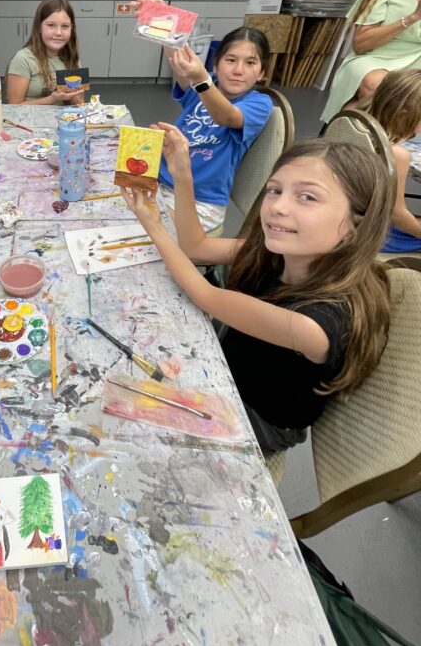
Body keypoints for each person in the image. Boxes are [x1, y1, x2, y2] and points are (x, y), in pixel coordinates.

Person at [123, 129, 393, 453]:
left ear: (355, 226)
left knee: (122, 409)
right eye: (275, 190)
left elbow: (204, 295)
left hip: (255, 418)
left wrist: (153, 224)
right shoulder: (276, 252)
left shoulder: (314, 325)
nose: (278, 206)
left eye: (307, 197)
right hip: (229, 365)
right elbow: (196, 247)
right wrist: (182, 172)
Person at [158, 26, 273, 231]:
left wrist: (201, 80)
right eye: (231, 60)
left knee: (137, 229)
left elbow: (226, 116)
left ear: (261, 73)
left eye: (250, 63)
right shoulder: (204, 86)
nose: (238, 70)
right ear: (216, 65)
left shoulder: (260, 104)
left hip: (200, 202)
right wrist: (160, 22)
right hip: (160, 181)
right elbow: (178, 59)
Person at [321, 0, 421, 123]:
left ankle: (396, 140)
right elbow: (361, 44)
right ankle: (350, 133)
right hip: (375, 57)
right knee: (380, 86)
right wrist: (412, 18)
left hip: (416, 61)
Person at [365, 69, 421, 254]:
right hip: (371, 235)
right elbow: (397, 215)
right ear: (404, 115)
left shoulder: (358, 123)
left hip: (351, 217)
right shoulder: (397, 154)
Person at [6, 0, 84, 105]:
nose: (58, 32)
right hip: (28, 116)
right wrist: (52, 99)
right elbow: (13, 106)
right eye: (51, 25)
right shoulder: (23, 59)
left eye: (65, 26)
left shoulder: (72, 58)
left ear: (71, 28)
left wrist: (74, 96)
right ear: (39, 27)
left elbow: (78, 103)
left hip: (62, 115)